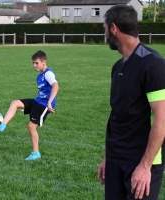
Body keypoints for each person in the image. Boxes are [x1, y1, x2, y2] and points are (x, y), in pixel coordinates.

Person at [97, 5, 165, 200]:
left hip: (141, 161)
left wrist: (145, 166)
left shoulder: (153, 64)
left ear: (114, 28)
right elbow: (117, 115)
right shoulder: (118, 66)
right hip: (116, 160)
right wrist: (107, 157)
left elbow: (162, 119)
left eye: (104, 28)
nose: (104, 33)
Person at [0, 50, 59, 161]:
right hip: (38, 101)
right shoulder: (39, 76)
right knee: (15, 103)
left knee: (31, 127)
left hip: (44, 104)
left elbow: (56, 86)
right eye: (33, 63)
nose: (34, 65)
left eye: (36, 63)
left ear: (44, 62)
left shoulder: (48, 74)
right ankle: (3, 124)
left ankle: (36, 153)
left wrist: (50, 102)